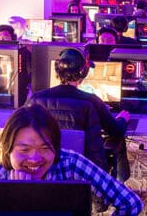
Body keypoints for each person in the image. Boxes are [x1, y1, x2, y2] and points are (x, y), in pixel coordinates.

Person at [0, 105, 142, 216]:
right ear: (7, 150)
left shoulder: (71, 164)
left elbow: (130, 204)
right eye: (24, 150)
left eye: (45, 148)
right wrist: (17, 201)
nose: (34, 158)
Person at [26, 48, 130, 180]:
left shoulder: (35, 99)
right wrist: (121, 119)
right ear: (83, 72)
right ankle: (118, 185)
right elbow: (116, 130)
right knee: (118, 140)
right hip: (84, 169)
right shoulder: (92, 100)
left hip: (43, 166)